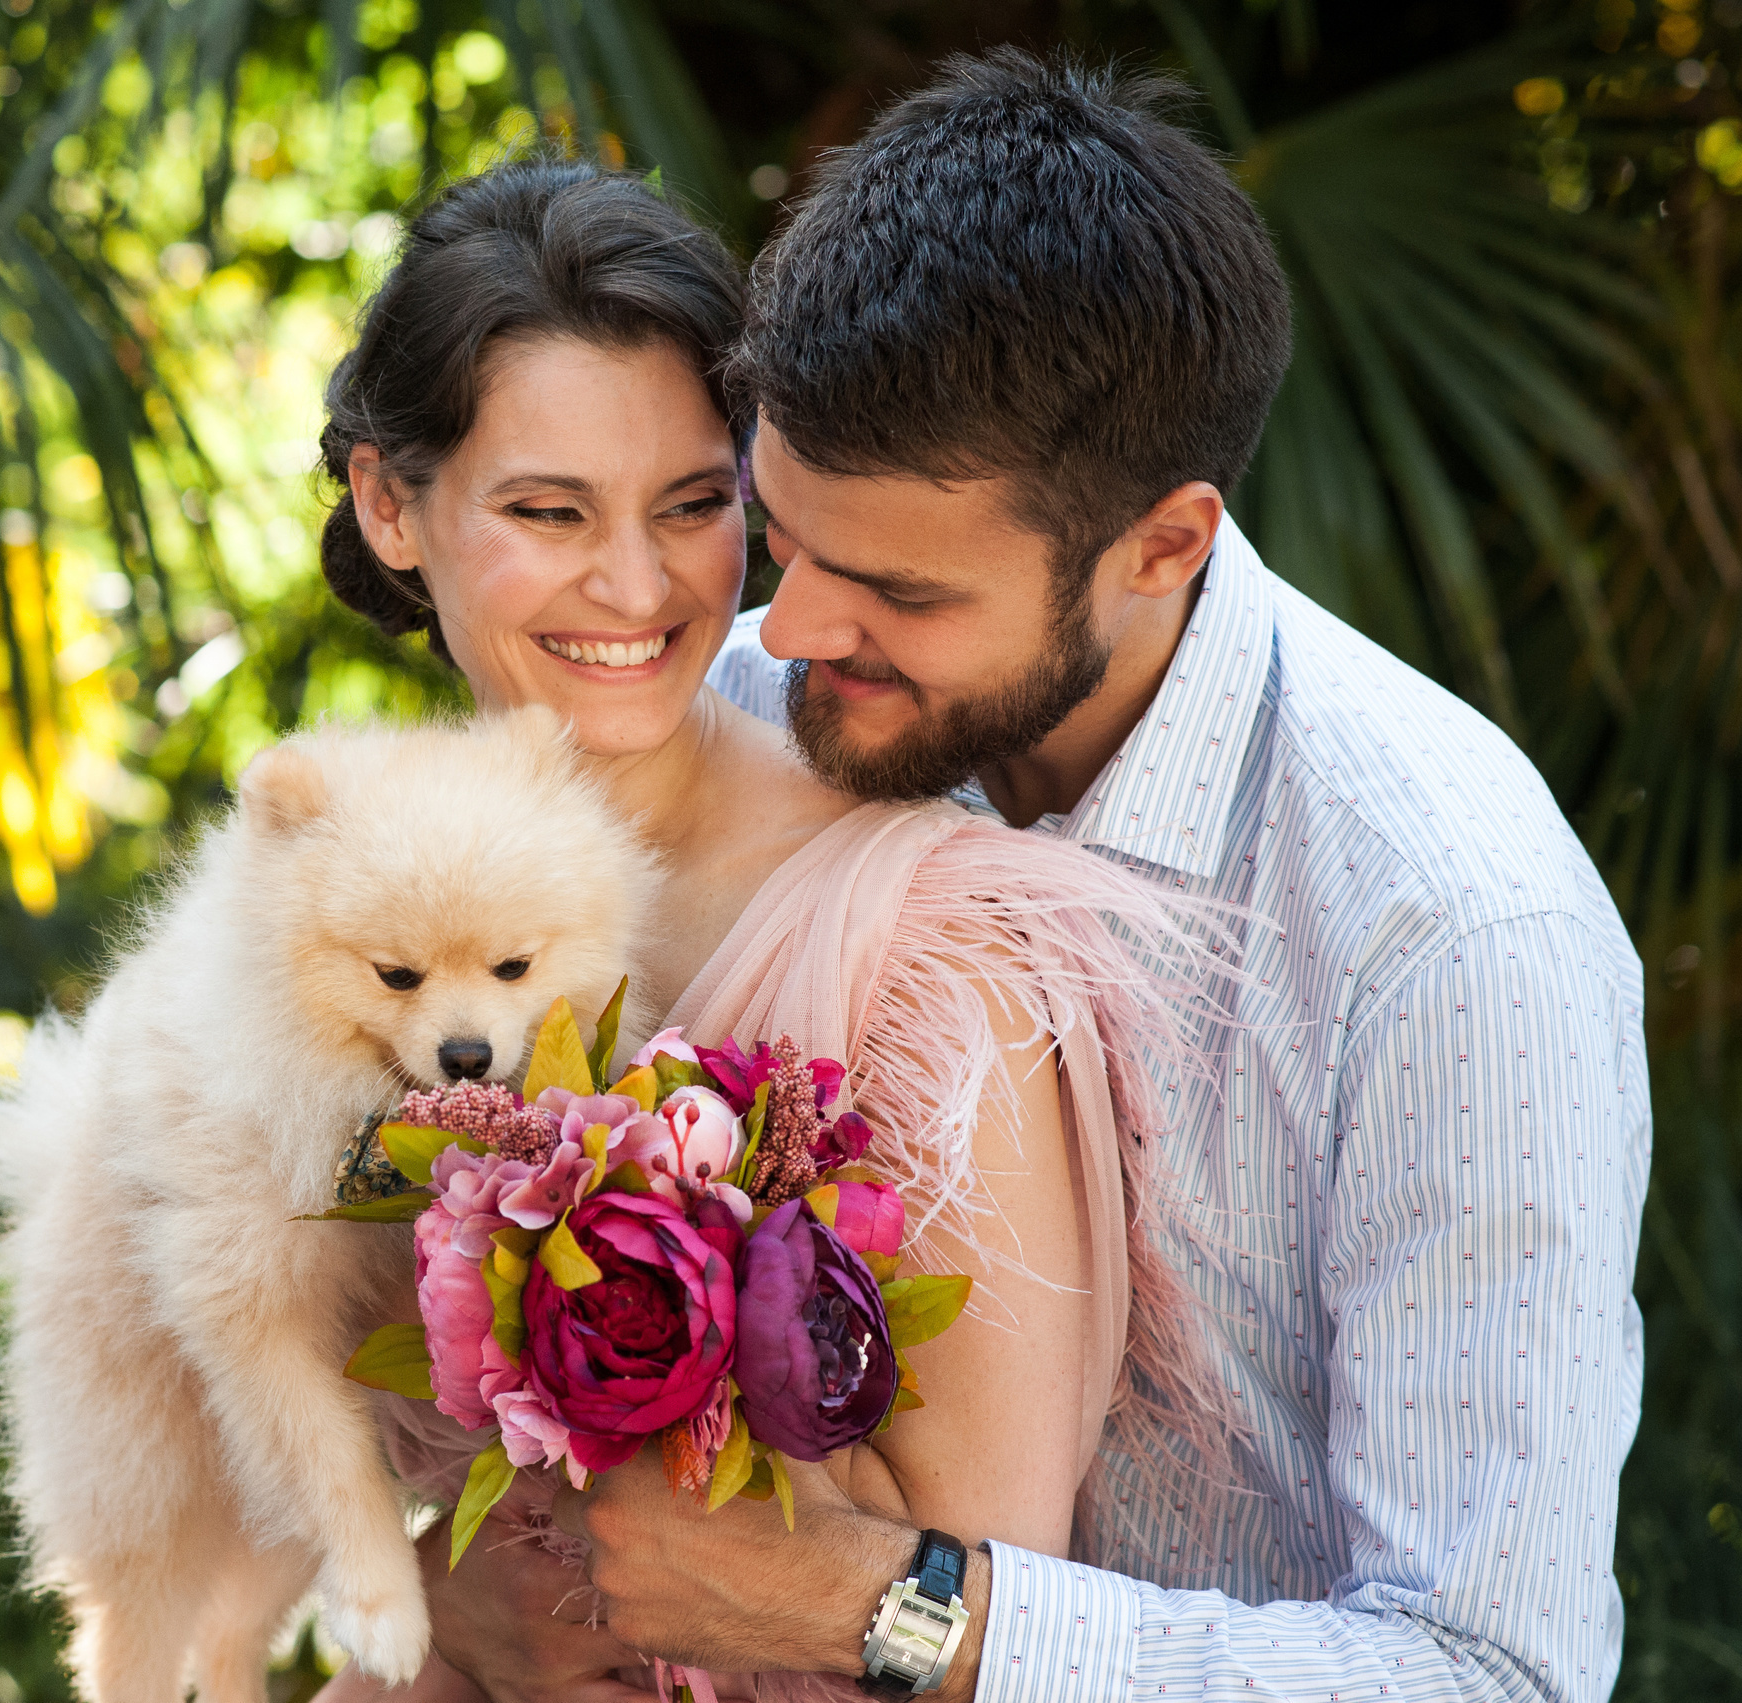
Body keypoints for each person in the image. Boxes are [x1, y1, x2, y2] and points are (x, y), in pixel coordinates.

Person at [531, 50, 1648, 1703]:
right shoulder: (753, 717)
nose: (794, 627)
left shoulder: (1453, 932)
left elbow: (1494, 1672)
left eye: (902, 590)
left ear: (1163, 546)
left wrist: (888, 1610)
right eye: (784, 533)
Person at [309, 152, 1245, 1703]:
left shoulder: (932, 956)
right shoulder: (357, 930)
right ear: (389, 506)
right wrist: (441, 1609)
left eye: (695, 506)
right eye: (548, 510)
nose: (637, 586)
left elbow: (997, 1583)